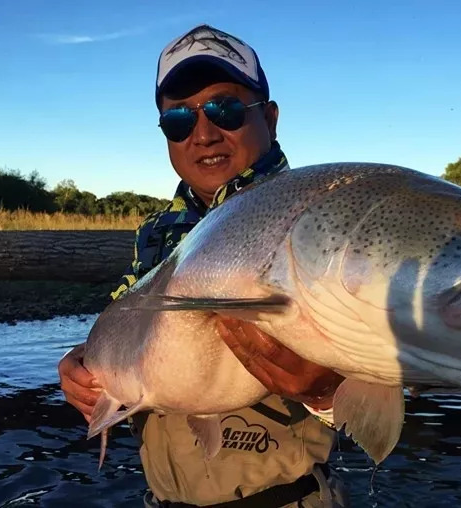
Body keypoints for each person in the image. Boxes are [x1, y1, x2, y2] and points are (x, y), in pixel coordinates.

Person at [58, 23, 348, 508]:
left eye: (226, 109)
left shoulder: (322, 217)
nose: (204, 133)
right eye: (179, 120)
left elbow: (396, 381)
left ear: (270, 119)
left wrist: (327, 393)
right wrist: (84, 366)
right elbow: (132, 325)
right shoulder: (155, 232)